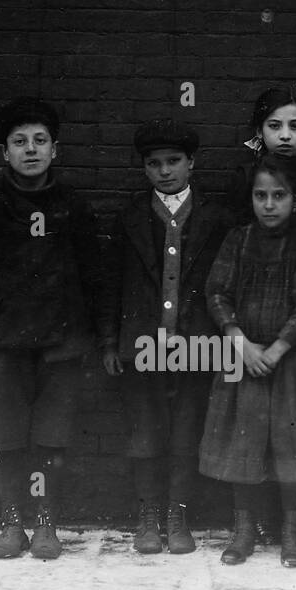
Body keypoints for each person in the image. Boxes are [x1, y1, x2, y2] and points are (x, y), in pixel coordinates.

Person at [0, 97, 104, 560]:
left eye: (40, 141)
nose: (30, 150)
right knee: (8, 434)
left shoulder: (73, 205)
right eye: (19, 142)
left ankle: (46, 522)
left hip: (61, 342)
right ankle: (12, 522)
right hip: (5, 344)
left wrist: (93, 336)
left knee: (52, 435)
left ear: (55, 149)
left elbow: (94, 274)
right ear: (4, 152)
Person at [98, 118, 233, 554]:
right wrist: (109, 342)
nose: (165, 171)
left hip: (197, 344)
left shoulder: (215, 216)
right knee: (145, 431)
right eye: (154, 164)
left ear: (191, 163)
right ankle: (149, 513)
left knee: (185, 431)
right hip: (142, 344)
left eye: (174, 161)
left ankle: (178, 514)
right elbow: (111, 283)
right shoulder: (131, 217)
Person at [199, 154, 296, 567]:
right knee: (243, 443)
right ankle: (244, 528)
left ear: (295, 200)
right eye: (261, 195)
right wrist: (239, 341)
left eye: (279, 196)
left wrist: (278, 348)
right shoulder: (238, 239)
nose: (269, 204)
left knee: (290, 448)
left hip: (288, 362)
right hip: (242, 357)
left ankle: (291, 530)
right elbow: (217, 292)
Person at [230, 86, 296, 234]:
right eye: (274, 126)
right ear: (259, 131)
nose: (285, 135)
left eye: (295, 126)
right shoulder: (246, 176)